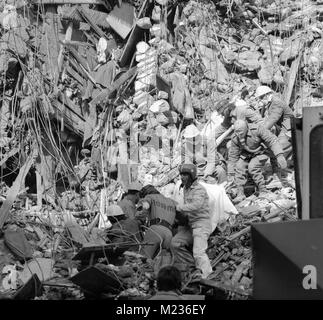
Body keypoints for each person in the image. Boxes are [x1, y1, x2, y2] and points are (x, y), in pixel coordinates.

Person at [227, 119, 287, 203]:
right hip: (247, 154)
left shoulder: (257, 129)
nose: (238, 134)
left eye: (240, 132)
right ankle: (240, 193)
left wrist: (279, 155)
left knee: (253, 167)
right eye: (236, 132)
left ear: (246, 128)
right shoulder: (235, 138)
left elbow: (272, 140)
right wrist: (230, 173)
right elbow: (233, 156)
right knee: (239, 167)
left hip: (262, 151)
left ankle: (263, 190)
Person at [170, 163, 213, 280]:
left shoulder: (199, 189)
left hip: (201, 224)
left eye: (185, 175)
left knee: (199, 252)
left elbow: (197, 205)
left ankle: (206, 277)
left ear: (192, 175)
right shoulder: (185, 189)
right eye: (181, 174)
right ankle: (191, 268)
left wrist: (180, 207)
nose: (182, 177)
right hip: (190, 225)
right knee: (175, 243)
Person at [254, 86, 294, 184]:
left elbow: (272, 120)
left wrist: (258, 133)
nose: (260, 100)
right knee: (270, 144)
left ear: (267, 95)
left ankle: (281, 174)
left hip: (288, 129)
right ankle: (276, 170)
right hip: (281, 128)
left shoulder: (276, 103)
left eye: (261, 98)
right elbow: (264, 119)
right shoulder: (269, 103)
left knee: (277, 148)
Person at [136, 185, 176, 259]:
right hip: (169, 234)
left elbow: (144, 207)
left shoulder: (149, 197)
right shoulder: (172, 202)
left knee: (143, 258)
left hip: (155, 231)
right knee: (161, 262)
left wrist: (139, 215)